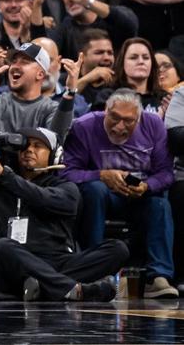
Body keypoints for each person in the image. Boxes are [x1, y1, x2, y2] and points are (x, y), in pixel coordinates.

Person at [0, 127, 126, 301]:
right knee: (3, 246)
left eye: (38, 145)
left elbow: (42, 198)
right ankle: (72, 289)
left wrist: (5, 176)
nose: (29, 150)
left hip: (59, 262)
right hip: (17, 264)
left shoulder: (66, 187)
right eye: (25, 146)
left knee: (117, 249)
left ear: (54, 154)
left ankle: (44, 287)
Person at [63, 90, 179, 298]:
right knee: (94, 190)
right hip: (102, 197)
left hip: (139, 197)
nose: (119, 127)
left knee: (160, 205)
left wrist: (147, 186)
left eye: (128, 121)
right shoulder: (84, 125)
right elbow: (67, 172)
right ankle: (95, 268)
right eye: (114, 118)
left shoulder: (153, 125)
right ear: (105, 111)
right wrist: (101, 175)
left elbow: (166, 174)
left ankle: (158, 277)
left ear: (139, 118)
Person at [0, 43, 77, 140]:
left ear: (40, 74)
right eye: (14, 61)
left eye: (24, 62)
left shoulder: (50, 108)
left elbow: (57, 136)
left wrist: (70, 92)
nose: (15, 66)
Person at [48, 0, 140, 58]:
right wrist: (37, 4)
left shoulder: (118, 15)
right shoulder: (65, 26)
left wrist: (87, 1)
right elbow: (45, 56)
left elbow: (130, 25)